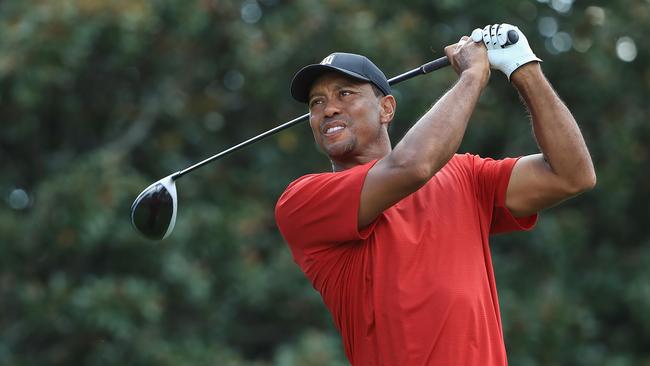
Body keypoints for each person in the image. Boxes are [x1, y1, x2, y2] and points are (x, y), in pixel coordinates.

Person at [275, 23, 595, 365]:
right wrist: (473, 76)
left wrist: (523, 66)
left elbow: (572, 175)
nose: (329, 109)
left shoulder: (464, 174)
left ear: (386, 109)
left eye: (345, 93)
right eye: (317, 102)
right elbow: (411, 166)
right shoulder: (302, 202)